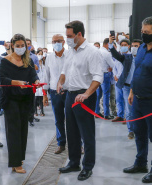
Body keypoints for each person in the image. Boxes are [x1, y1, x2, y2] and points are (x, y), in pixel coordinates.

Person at [57, 20, 103, 181]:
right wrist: (60, 82)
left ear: (79, 34)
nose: (67, 39)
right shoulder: (70, 51)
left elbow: (98, 77)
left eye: (69, 36)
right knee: (72, 132)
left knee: (86, 133)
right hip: (70, 95)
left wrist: (87, 94)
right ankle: (74, 162)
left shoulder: (92, 52)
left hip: (84, 97)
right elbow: (64, 71)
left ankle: (87, 166)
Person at [0, 33, 39, 174]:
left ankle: (20, 158)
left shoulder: (27, 61)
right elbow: (2, 79)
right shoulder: (5, 61)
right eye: (18, 46)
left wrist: (36, 82)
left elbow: (33, 75)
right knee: (14, 132)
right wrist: (16, 83)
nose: (21, 48)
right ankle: (15, 163)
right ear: (12, 46)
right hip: (11, 100)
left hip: (26, 99)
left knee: (23, 130)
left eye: (23, 46)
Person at [123, 16, 152, 183]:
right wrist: (132, 91)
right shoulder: (141, 48)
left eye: (147, 32)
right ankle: (141, 163)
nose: (143, 35)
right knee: (139, 132)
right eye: (142, 31)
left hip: (151, 101)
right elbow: (137, 71)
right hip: (138, 99)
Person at [43, 34, 68, 154]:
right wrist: (44, 95)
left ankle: (79, 144)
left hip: (69, 92)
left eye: (58, 41)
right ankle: (61, 143)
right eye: (54, 41)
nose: (56, 43)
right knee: (58, 120)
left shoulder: (70, 55)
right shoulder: (49, 58)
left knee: (72, 120)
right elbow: (46, 76)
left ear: (63, 42)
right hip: (54, 92)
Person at [109, 38, 135, 139]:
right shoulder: (124, 56)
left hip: (132, 86)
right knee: (122, 104)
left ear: (129, 46)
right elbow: (115, 62)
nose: (124, 46)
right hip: (122, 84)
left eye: (125, 44)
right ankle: (129, 128)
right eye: (122, 44)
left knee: (131, 109)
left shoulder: (133, 57)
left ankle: (134, 129)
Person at [95, 38, 114, 119]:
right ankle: (106, 113)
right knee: (106, 94)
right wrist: (111, 68)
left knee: (98, 95)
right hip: (105, 75)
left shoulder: (97, 51)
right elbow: (113, 65)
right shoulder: (106, 53)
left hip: (97, 75)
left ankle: (96, 112)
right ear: (107, 44)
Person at [26, 38, 40, 126]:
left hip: (31, 83)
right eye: (26, 44)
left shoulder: (34, 57)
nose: (27, 45)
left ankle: (31, 119)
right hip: (20, 83)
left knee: (31, 101)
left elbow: (37, 69)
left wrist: (32, 67)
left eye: (29, 44)